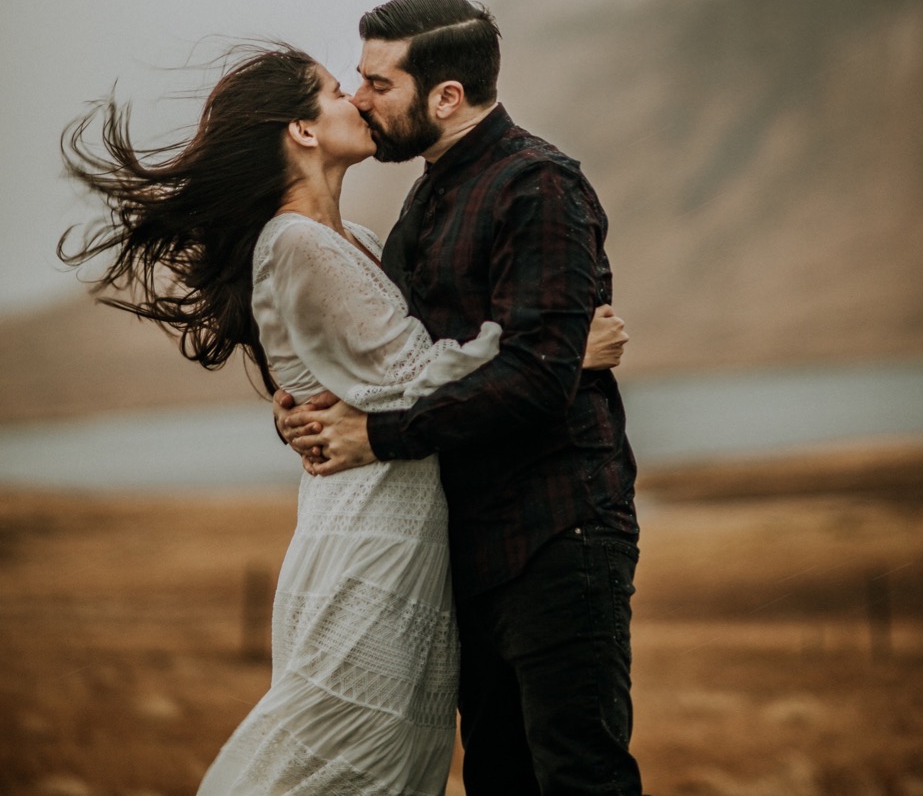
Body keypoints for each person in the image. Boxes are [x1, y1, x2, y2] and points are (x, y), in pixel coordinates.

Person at [56, 44, 628, 796]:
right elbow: (415, 373)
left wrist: (301, 412)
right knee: (342, 756)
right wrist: (561, 351)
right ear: (301, 129)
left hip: (407, 526)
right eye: (335, 90)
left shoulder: (353, 241)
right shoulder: (294, 242)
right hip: (369, 535)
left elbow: (360, 377)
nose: (357, 100)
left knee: (391, 761)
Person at [275, 0, 643, 796]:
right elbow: (405, 360)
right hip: (470, 548)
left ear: (446, 96)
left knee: (579, 776)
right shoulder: (427, 197)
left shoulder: (535, 186)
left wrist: (380, 435)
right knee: (500, 782)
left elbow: (534, 382)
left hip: (558, 530)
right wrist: (303, 406)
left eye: (379, 82)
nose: (360, 95)